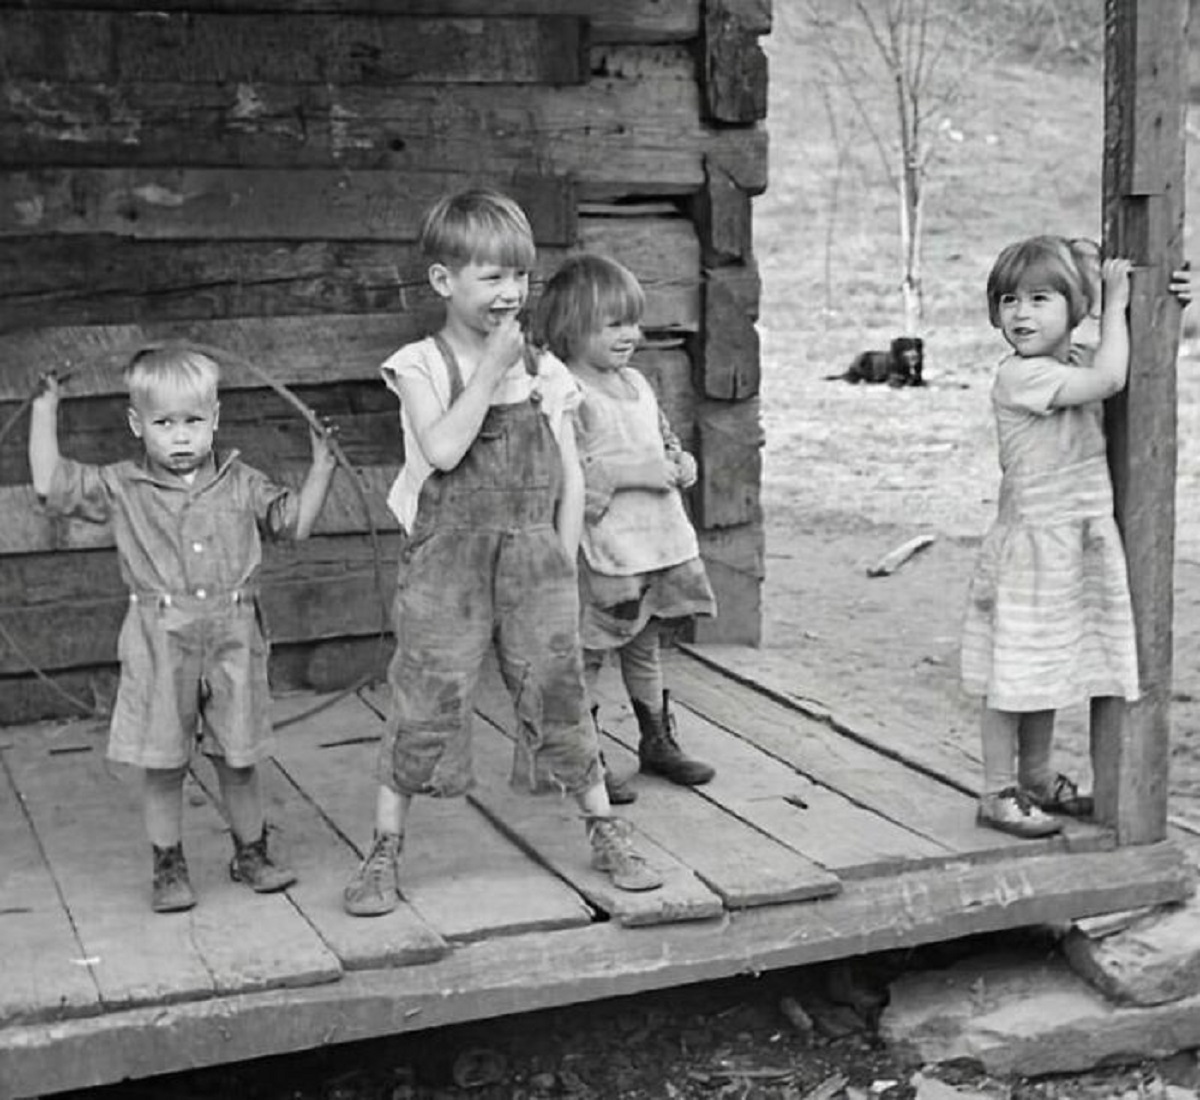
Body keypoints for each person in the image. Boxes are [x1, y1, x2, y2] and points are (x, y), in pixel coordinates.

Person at [343, 190, 662, 917]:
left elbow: (568, 471)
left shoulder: (546, 372)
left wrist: (559, 549)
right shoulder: (420, 365)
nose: (510, 293)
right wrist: (489, 371)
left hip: (532, 558)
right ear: (443, 282)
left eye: (518, 276)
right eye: (490, 277)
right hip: (447, 564)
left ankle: (604, 826)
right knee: (426, 694)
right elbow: (445, 447)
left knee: (558, 690)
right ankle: (385, 847)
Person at [27, 346, 338, 911]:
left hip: (234, 635)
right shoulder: (122, 484)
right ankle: (167, 865)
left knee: (239, 757)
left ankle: (252, 853)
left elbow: (294, 524)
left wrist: (322, 468)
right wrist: (46, 409)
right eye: (163, 423)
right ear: (136, 424)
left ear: (215, 420)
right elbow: (51, 487)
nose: (180, 437)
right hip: (158, 635)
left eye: (193, 421)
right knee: (163, 761)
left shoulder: (239, 480)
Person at [961, 236, 1137, 837]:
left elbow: (1121, 350)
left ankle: (1035, 777)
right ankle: (995, 791)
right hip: (1034, 546)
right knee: (1012, 675)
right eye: (1009, 300)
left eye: (1040, 299)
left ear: (1073, 307)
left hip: (1070, 539)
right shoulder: (1022, 376)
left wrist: (1171, 302)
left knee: (1046, 668)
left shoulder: (1070, 359)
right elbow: (1113, 378)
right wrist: (1116, 304)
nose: (1021, 313)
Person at [534, 254, 717, 806]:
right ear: (571, 326)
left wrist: (679, 463)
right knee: (589, 651)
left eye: (632, 322)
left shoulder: (636, 382)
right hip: (602, 550)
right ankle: (584, 757)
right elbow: (566, 474)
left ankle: (656, 739)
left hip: (650, 543)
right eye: (612, 324)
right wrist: (638, 473)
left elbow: (661, 440)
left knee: (644, 643)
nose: (629, 335)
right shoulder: (566, 392)